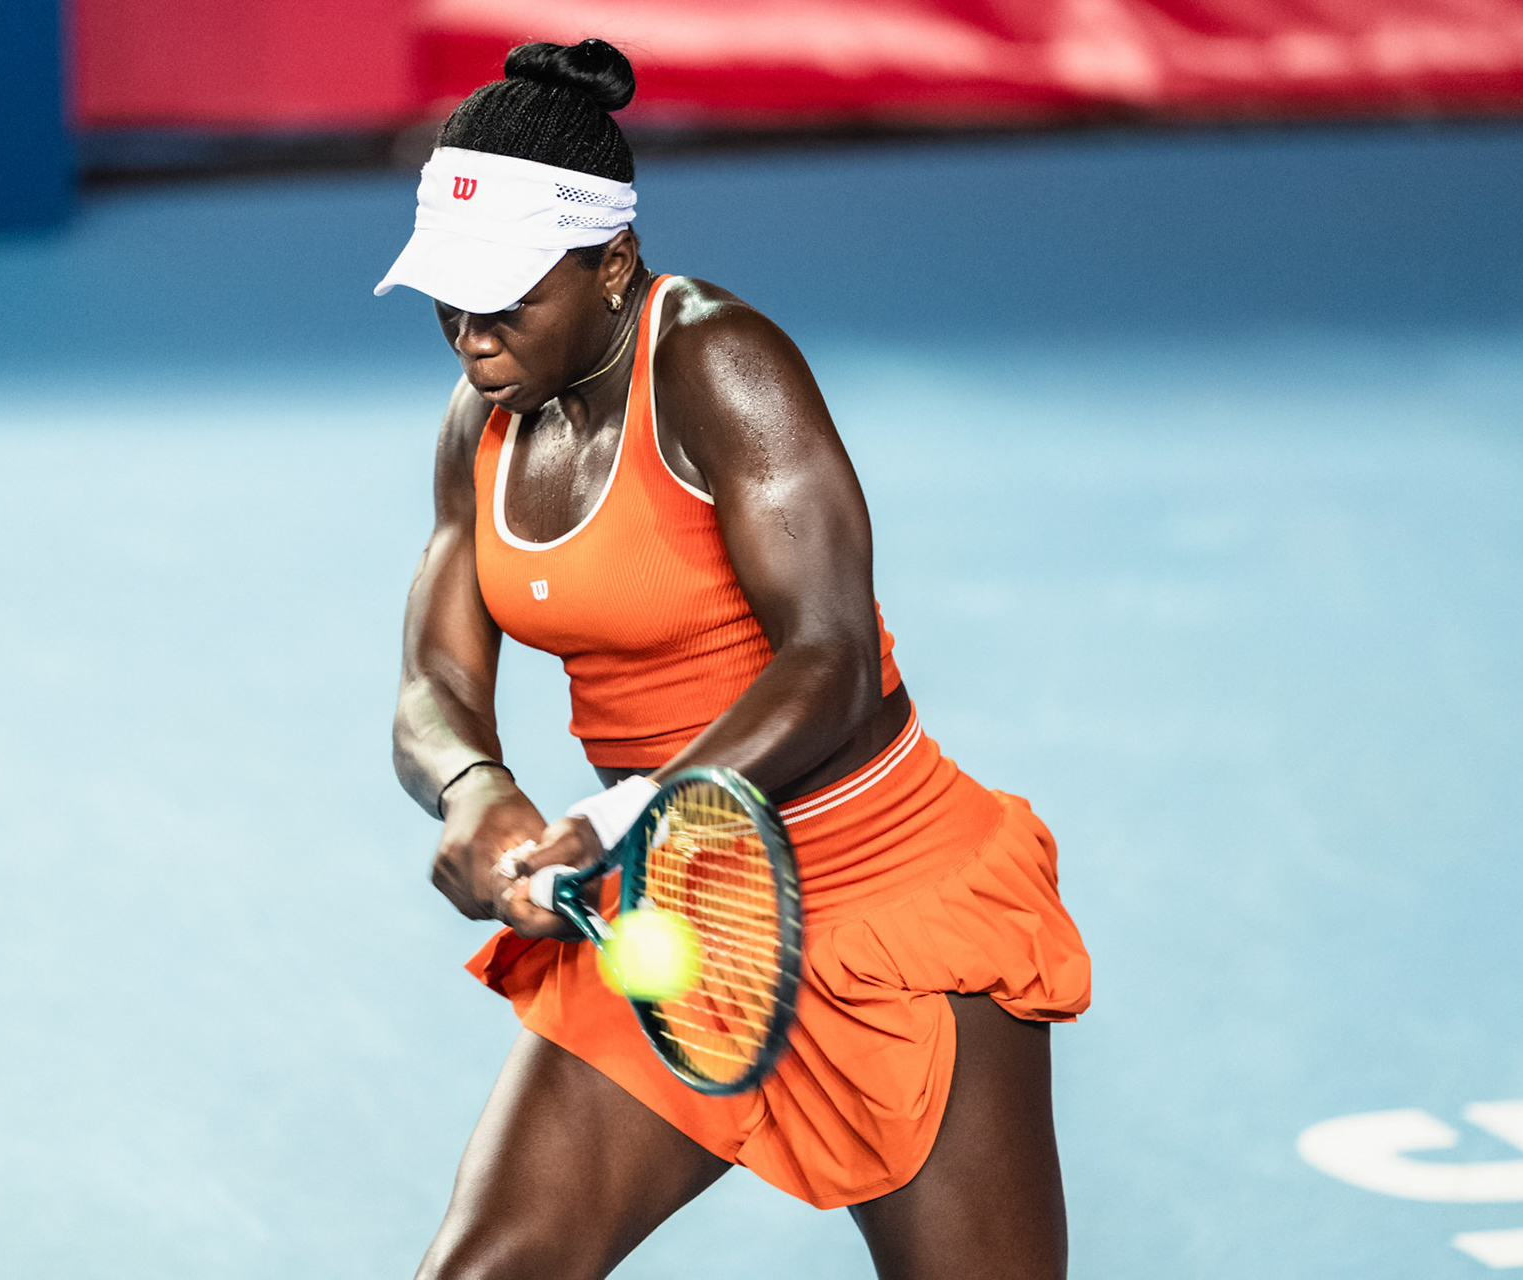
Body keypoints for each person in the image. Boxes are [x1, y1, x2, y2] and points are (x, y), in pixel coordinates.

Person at [381, 37, 1091, 1280]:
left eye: (505, 293)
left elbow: (830, 660)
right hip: (677, 910)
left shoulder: (721, 363)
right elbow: (435, 685)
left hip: (889, 899)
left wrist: (633, 809)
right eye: (448, 291)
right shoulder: (480, 419)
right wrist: (474, 791)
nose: (468, 329)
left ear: (611, 264)